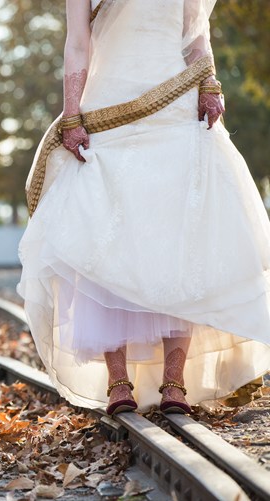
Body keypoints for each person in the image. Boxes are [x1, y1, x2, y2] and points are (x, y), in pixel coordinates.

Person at [17, 0, 270, 415]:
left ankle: (175, 384)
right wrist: (72, 113)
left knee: (181, 237)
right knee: (104, 241)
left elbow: (195, 35)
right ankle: (118, 384)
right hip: (108, 114)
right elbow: (78, 44)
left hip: (176, 109)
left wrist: (209, 85)